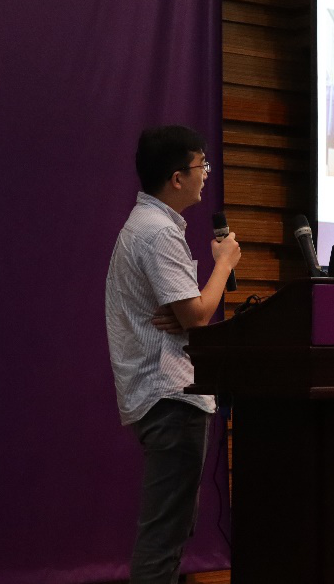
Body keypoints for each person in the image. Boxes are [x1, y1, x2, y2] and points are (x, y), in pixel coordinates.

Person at [104, 125, 241, 584]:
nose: (207, 174)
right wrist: (224, 263)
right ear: (177, 177)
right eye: (202, 165)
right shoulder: (158, 232)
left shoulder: (147, 225)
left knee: (172, 533)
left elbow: (184, 314)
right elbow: (197, 316)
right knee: (163, 541)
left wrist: (185, 312)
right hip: (171, 398)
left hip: (165, 398)